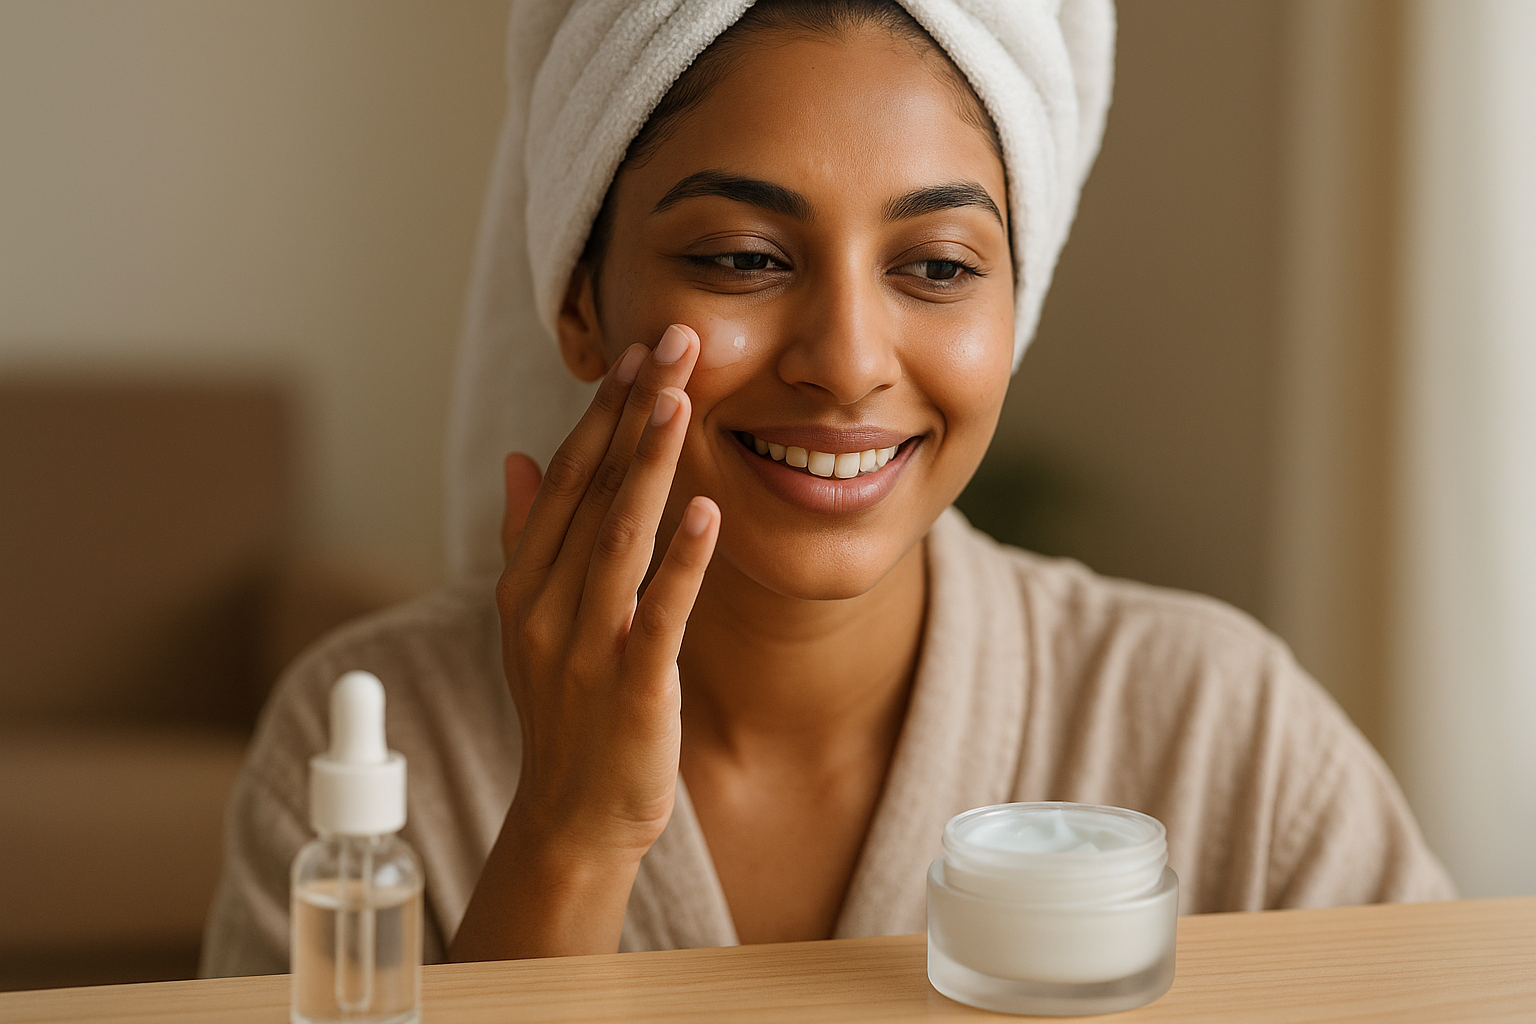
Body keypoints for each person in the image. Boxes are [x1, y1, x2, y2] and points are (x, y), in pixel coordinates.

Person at [202, 0, 1453, 976]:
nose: (848, 360)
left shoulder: (1218, 736)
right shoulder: (374, 756)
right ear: (579, 305)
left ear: (1019, 303)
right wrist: (570, 836)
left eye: (939, 264)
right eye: (743, 258)